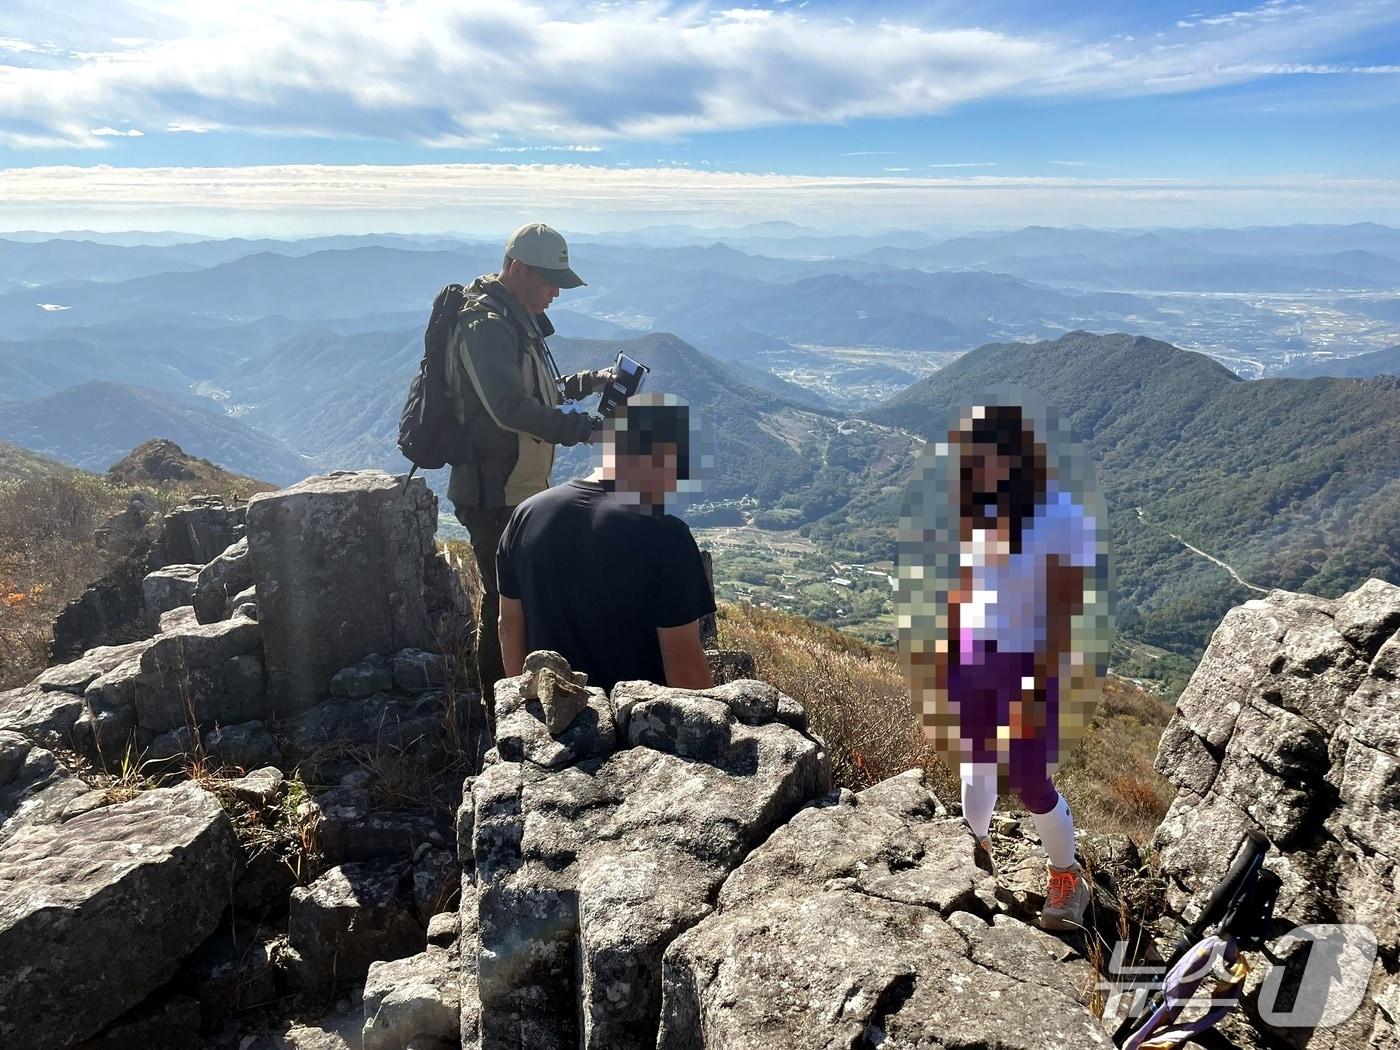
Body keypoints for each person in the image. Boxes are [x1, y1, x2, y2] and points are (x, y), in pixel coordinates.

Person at [941, 403, 1099, 931]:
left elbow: (1066, 607)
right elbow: (966, 584)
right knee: (977, 761)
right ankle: (976, 848)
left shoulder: (1061, 515)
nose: (979, 469)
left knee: (1030, 776)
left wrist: (1039, 679)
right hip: (974, 656)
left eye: (988, 457)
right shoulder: (981, 509)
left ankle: (1067, 877)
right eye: (971, 460)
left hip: (1031, 663)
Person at [445, 222, 616, 701]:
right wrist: (588, 430)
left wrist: (592, 381)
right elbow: (509, 409)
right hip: (492, 492)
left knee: (521, 599)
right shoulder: (485, 325)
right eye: (549, 281)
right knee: (505, 604)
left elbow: (543, 393)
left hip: (517, 489)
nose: (556, 293)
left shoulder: (515, 318)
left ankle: (520, 696)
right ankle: (497, 705)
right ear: (517, 268)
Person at [495, 395, 716, 697]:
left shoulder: (526, 514)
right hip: (636, 728)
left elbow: (508, 627)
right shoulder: (667, 535)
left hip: (551, 719)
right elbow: (684, 666)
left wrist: (526, 706)